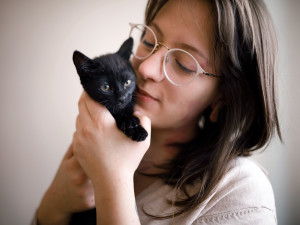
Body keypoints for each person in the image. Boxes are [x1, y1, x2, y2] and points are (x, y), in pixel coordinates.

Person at [33, 0, 281, 224]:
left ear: (224, 96)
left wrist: (111, 180)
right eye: (149, 41)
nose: (146, 68)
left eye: (184, 63)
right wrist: (53, 206)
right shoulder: (86, 151)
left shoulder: (241, 194)